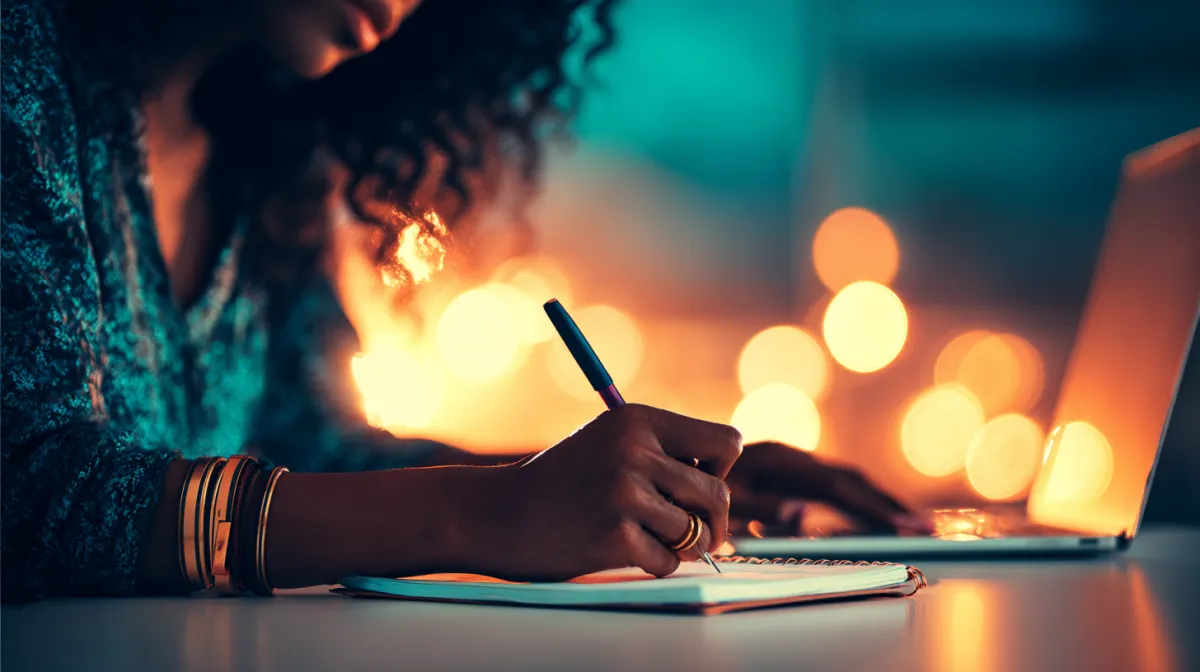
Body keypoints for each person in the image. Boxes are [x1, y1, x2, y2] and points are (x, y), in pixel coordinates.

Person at [0, 0, 925, 603]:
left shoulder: (264, 145)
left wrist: (627, 490)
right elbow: (28, 490)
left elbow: (316, 450)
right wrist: (481, 515)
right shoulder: (22, 55)